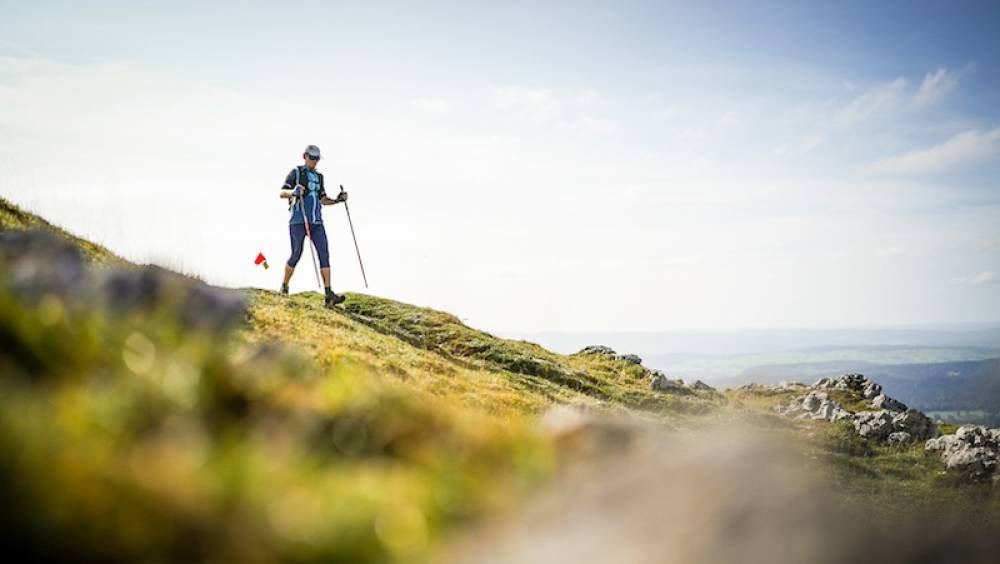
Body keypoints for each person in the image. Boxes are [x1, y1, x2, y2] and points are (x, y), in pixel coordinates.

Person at [278, 144, 349, 307]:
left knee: (324, 252)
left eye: (317, 159)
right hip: (298, 220)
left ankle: (328, 293)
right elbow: (282, 192)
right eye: (312, 158)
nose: (315, 161)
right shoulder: (296, 172)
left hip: (317, 222)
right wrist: (293, 192)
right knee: (296, 253)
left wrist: (338, 200)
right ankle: (284, 285)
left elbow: (323, 199)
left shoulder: (319, 177)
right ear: (305, 156)